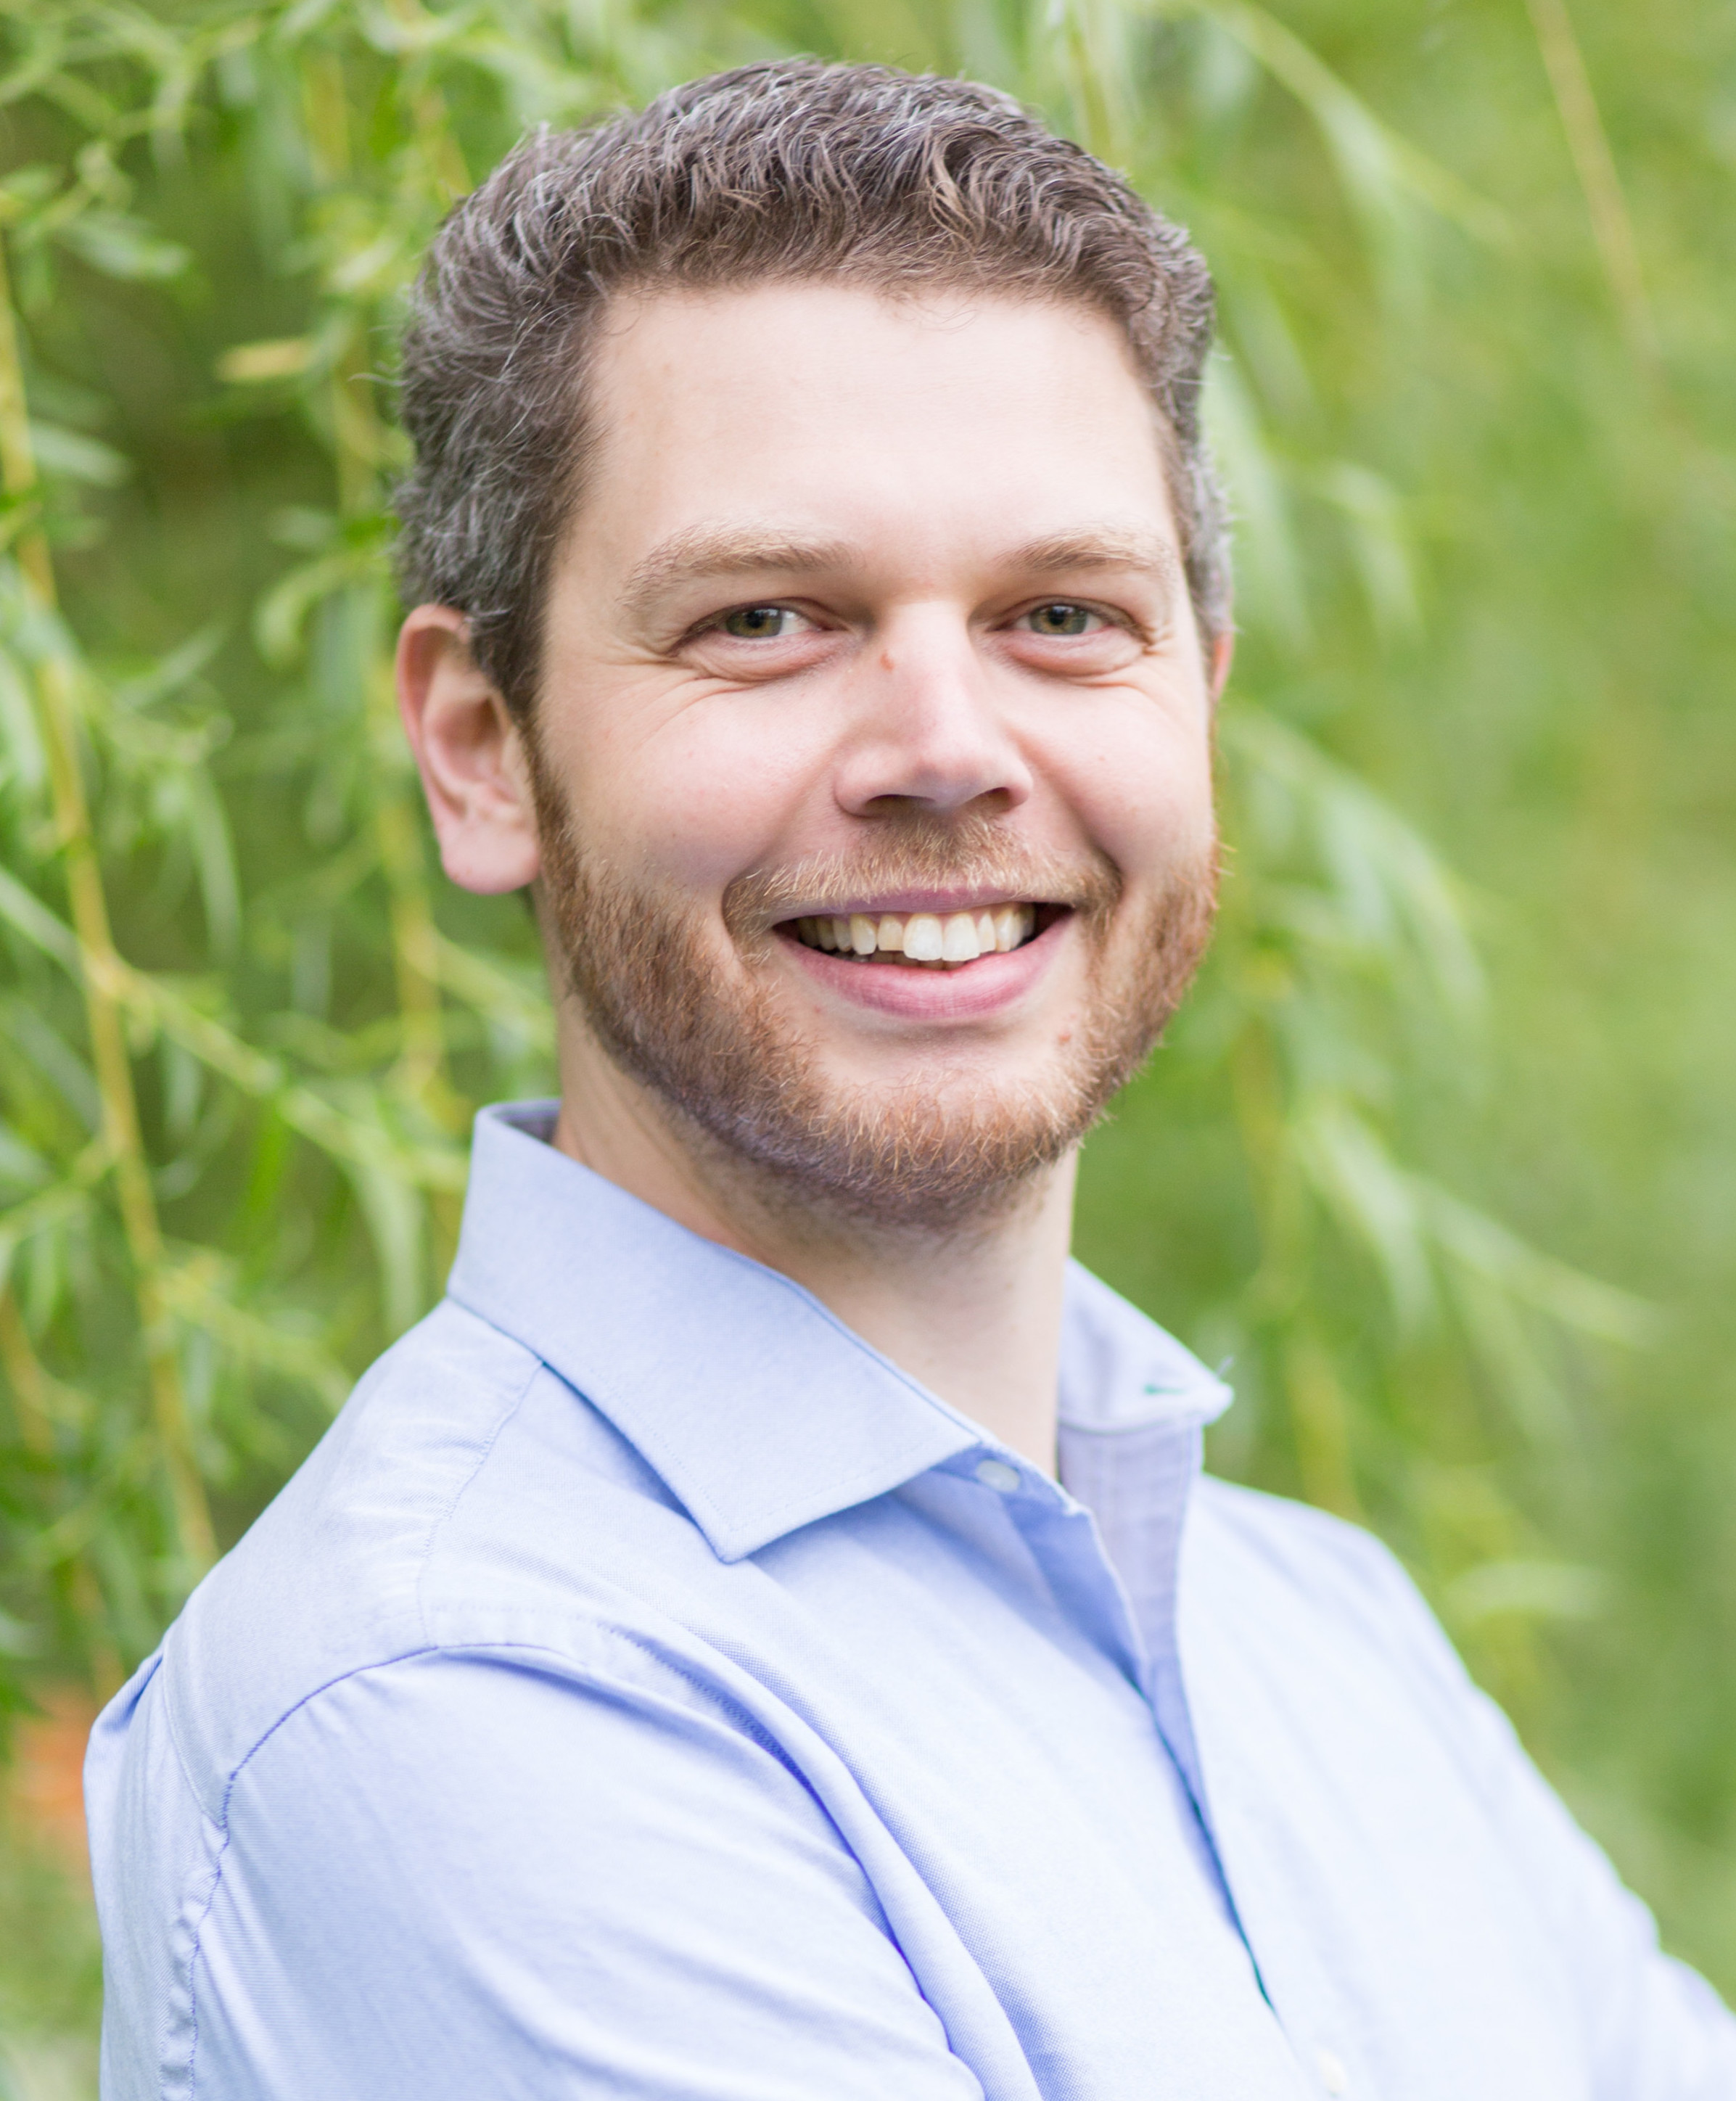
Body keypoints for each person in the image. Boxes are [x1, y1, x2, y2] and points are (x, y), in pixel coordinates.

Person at [85, 59, 1735, 2101]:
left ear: (1195, 701)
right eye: (768, 620)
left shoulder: (1323, 1635)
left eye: (1063, 617)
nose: (944, 744)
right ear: (480, 746)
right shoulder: (455, 1699)